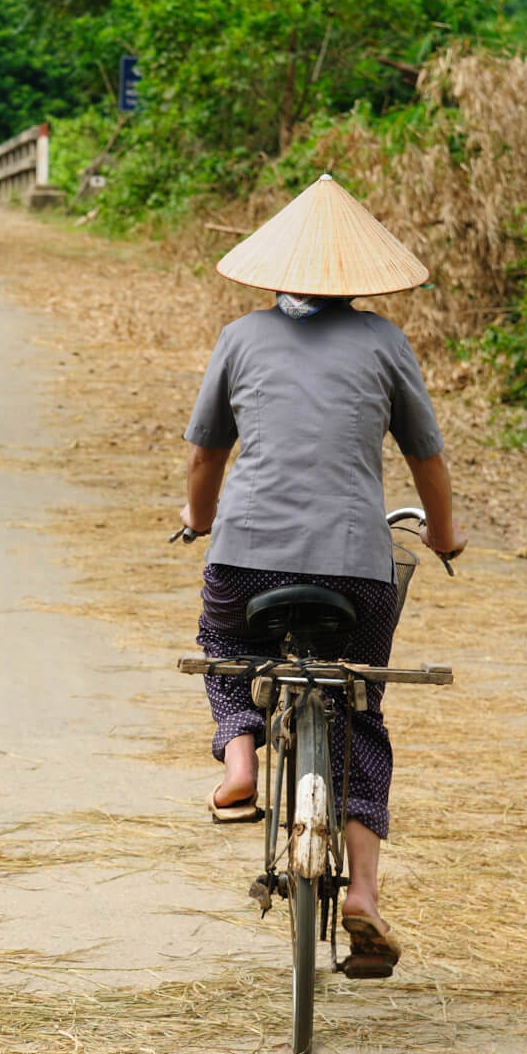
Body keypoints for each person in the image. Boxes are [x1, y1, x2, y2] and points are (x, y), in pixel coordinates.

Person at [179, 173, 465, 978]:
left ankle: (240, 758)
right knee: (359, 703)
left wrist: (200, 519)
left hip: (245, 558)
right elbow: (427, 459)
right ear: (356, 279)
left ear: (276, 272)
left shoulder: (240, 337)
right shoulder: (385, 342)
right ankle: (364, 892)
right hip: (356, 571)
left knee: (224, 644)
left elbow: (205, 454)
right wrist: (445, 535)